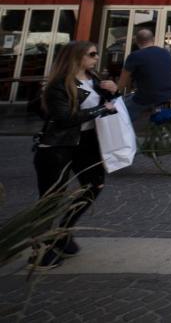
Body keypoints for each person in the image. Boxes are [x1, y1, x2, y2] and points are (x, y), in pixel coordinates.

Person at [32, 41, 118, 270]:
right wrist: (102, 109)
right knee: (51, 198)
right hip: (58, 145)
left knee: (94, 186)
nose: (96, 58)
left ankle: (63, 233)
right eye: (91, 54)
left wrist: (113, 92)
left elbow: (111, 106)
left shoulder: (95, 80)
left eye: (97, 54)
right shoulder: (58, 85)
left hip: (87, 142)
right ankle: (41, 250)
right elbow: (65, 118)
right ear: (76, 57)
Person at [117, 29, 171, 121]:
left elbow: (123, 83)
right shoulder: (166, 53)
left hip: (147, 97)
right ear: (153, 39)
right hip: (169, 95)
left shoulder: (135, 56)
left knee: (121, 110)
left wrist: (115, 94)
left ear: (137, 42)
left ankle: (125, 131)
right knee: (130, 98)